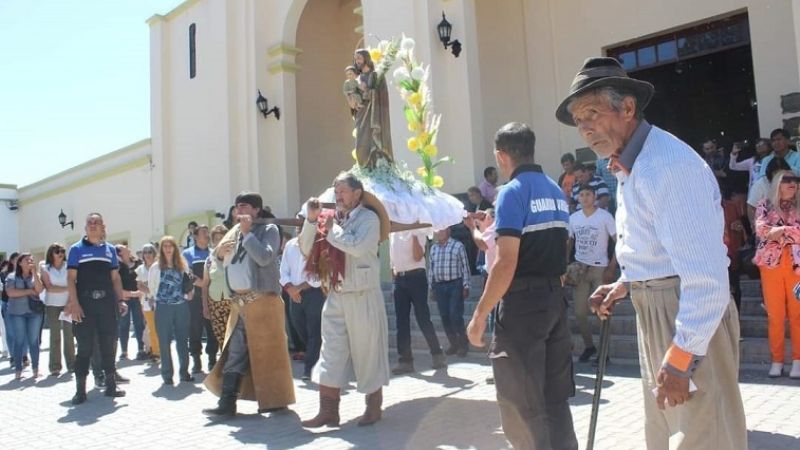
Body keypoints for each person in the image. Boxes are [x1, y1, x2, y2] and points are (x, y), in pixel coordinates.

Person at [556, 57, 746, 449]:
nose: (585, 127)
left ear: (628, 108)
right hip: (658, 308)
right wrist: (625, 284)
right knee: (666, 436)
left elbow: (707, 280)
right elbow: (661, 248)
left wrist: (682, 357)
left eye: (592, 112)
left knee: (702, 438)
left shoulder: (667, 166)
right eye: (578, 120)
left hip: (685, 313)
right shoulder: (631, 166)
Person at [466, 122, 577, 449]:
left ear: (501, 156)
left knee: (520, 402)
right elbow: (563, 248)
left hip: (523, 307)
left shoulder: (511, 193)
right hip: (554, 301)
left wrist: (479, 315)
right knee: (555, 399)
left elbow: (506, 261)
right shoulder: (555, 191)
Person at [299, 173, 390, 428]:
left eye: (343, 191)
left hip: (363, 296)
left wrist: (330, 229)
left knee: (367, 351)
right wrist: (311, 219)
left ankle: (373, 405)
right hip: (336, 295)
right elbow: (306, 248)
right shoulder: (329, 220)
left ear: (357, 193)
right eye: (335, 191)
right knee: (330, 352)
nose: (338, 196)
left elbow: (357, 246)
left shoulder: (369, 219)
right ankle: (328, 411)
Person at [203, 192, 295, 419]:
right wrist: (218, 254)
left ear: (256, 209)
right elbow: (218, 259)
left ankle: (274, 401)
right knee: (235, 352)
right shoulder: (233, 231)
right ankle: (227, 403)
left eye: (243, 206)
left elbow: (265, 257)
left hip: (263, 301)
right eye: (236, 207)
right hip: (240, 303)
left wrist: (247, 234)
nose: (238, 211)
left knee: (268, 353)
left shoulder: (269, 230)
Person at [64, 213, 127, 404]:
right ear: (85, 228)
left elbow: (115, 278)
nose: (92, 225)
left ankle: (110, 386)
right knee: (84, 347)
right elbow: (70, 279)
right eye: (89, 223)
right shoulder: (76, 249)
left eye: (96, 222)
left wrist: (120, 300)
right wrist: (74, 303)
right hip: (85, 305)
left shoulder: (109, 251)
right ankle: (80, 391)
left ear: (102, 227)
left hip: (107, 304)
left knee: (109, 344)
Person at [753, 169, 800, 379]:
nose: (793, 183)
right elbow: (761, 229)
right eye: (787, 180)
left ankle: (798, 361)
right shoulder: (765, 204)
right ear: (777, 183)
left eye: (796, 180)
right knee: (775, 316)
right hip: (770, 266)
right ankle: (777, 361)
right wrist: (789, 231)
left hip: (797, 266)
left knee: (798, 315)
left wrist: (779, 231)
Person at [568, 183, 617, 363]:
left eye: (588, 194)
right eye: (581, 195)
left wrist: (612, 266)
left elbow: (618, 240)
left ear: (594, 196)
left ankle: (605, 352)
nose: (585, 197)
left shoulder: (604, 216)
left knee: (601, 310)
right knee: (580, 312)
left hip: (600, 269)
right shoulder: (573, 218)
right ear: (578, 198)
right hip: (580, 269)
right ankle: (590, 346)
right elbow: (568, 242)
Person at [388, 228, 447, 375]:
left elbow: (418, 256)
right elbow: (392, 259)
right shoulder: (393, 231)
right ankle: (405, 361)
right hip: (399, 279)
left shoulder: (419, 229)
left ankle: (437, 354)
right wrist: (393, 281)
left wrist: (413, 233)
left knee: (423, 318)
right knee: (401, 322)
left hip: (416, 277)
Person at [279, 218, 325, 381]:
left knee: (314, 331)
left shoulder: (318, 244)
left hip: (314, 293)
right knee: (300, 329)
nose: (300, 230)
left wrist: (300, 287)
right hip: (293, 294)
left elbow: (319, 275)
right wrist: (290, 288)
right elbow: (283, 270)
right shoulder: (290, 245)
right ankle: (315, 356)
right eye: (298, 227)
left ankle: (309, 368)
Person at [148, 236, 193, 385]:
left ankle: (184, 373)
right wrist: (154, 301)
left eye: (170, 246)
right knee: (164, 341)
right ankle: (167, 375)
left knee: (182, 340)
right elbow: (152, 287)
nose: (168, 248)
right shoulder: (155, 267)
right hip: (163, 307)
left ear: (175, 248)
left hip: (181, 306)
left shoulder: (182, 264)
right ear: (161, 249)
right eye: (165, 246)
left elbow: (187, 282)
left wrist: (189, 293)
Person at [429, 227, 471, 358]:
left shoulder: (458, 246)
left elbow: (465, 266)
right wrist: (431, 287)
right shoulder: (433, 248)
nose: (439, 232)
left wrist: (466, 285)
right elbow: (431, 269)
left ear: (448, 231)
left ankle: (463, 344)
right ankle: (454, 344)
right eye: (438, 230)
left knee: (455, 315)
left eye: (443, 230)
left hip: (455, 285)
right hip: (439, 286)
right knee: (444, 316)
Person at [182, 225, 217, 373]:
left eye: (207, 232)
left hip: (212, 296)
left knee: (212, 330)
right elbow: (187, 274)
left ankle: (212, 360)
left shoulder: (213, 253)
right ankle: (196, 361)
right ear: (195, 236)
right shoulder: (188, 253)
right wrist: (202, 283)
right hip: (195, 298)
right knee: (195, 330)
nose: (207, 235)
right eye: (204, 232)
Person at [5, 253, 45, 380]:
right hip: (17, 313)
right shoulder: (11, 277)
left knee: (34, 341)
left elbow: (39, 290)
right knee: (19, 341)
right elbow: (11, 292)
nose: (30, 261)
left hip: (34, 313)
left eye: (31, 260)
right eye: (27, 260)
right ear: (20, 263)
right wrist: (28, 291)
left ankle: (35, 369)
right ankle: (18, 370)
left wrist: (34, 273)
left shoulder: (36, 276)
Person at [353, 49, 393, 168]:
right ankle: (364, 167)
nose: (357, 61)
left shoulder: (376, 75)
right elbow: (354, 99)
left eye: (359, 58)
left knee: (372, 142)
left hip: (374, 116)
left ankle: (375, 165)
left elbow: (382, 95)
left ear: (366, 58)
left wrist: (367, 92)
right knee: (360, 143)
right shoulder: (358, 78)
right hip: (361, 115)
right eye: (355, 59)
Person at [41, 243, 74, 376]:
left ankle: (72, 364)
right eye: (57, 251)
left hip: (68, 303)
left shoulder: (69, 266)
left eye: (62, 251)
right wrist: (68, 288)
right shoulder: (45, 268)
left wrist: (70, 302)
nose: (60, 253)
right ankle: (55, 366)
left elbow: (74, 284)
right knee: (55, 335)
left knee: (69, 335)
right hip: (52, 305)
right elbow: (49, 287)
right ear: (51, 254)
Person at [201, 225, 230, 352]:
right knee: (221, 337)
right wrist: (205, 306)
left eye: (222, 238)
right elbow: (205, 284)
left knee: (235, 337)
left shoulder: (234, 257)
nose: (219, 241)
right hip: (215, 304)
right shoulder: (209, 260)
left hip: (233, 303)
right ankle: (225, 366)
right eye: (216, 239)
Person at [747, 157, 791, 235]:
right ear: (770, 173)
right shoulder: (760, 185)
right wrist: (754, 226)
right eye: (776, 173)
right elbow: (751, 206)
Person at [116, 244, 145, 361]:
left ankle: (141, 349)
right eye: (122, 248)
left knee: (139, 324)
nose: (127, 247)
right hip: (125, 299)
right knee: (124, 325)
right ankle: (124, 351)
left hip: (138, 298)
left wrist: (140, 293)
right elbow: (116, 284)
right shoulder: (118, 267)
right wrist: (129, 294)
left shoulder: (138, 263)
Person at [135, 243, 159, 360]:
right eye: (145, 252)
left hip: (160, 301)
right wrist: (150, 294)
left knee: (161, 328)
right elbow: (139, 285)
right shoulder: (140, 269)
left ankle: (161, 350)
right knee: (151, 328)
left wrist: (153, 293)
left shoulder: (159, 267)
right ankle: (155, 352)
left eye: (150, 252)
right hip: (146, 303)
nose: (148, 254)